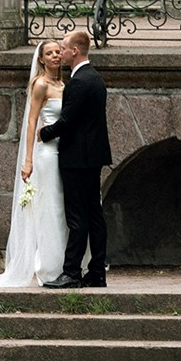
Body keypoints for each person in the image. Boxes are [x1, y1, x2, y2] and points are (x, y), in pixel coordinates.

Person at [0, 41, 70, 291]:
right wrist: (28, 160)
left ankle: (67, 263)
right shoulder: (40, 84)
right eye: (49, 53)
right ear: (42, 59)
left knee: (63, 208)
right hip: (47, 153)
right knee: (50, 207)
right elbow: (32, 123)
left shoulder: (65, 85)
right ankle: (49, 266)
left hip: (65, 152)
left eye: (57, 52)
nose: (55, 56)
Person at [39, 27, 111, 288]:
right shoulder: (96, 79)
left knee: (77, 217)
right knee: (94, 215)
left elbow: (68, 121)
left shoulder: (79, 82)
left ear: (75, 51)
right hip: (93, 156)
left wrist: (44, 133)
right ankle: (97, 272)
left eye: (64, 48)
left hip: (78, 159)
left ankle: (71, 272)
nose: (61, 52)